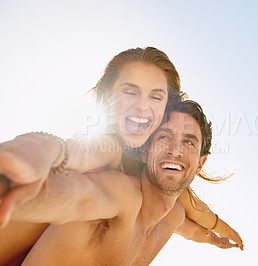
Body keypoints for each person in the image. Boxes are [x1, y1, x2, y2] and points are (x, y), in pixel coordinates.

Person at [0, 47, 242, 264]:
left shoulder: (148, 171)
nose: (141, 106)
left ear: (166, 107)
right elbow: (69, 153)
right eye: (130, 92)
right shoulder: (107, 147)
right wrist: (37, 154)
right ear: (107, 97)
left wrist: (217, 235)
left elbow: (190, 213)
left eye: (155, 96)